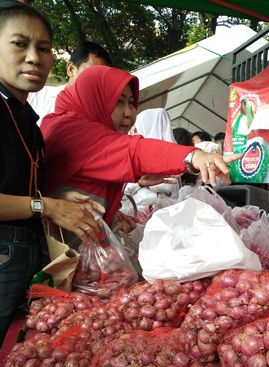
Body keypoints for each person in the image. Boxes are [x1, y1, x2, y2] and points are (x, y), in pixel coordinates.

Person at [0, 1, 101, 367]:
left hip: (20, 257)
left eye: (44, 48)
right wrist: (46, 206)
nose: (34, 58)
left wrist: (56, 199)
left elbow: (23, 191)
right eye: (19, 44)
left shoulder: (26, 118)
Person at [41, 65, 242, 228]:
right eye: (118, 102)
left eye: (131, 103)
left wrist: (113, 215)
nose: (128, 113)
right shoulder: (72, 129)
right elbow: (135, 151)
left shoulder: (71, 126)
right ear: (94, 100)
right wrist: (194, 157)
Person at [27, 40, 112, 125]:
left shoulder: (109, 115)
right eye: (92, 74)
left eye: (103, 79)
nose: (97, 83)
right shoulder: (33, 98)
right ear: (71, 69)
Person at [124, 108, 180, 211]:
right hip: (171, 212)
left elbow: (124, 192)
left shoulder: (135, 154)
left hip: (141, 213)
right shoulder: (174, 154)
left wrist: (138, 183)